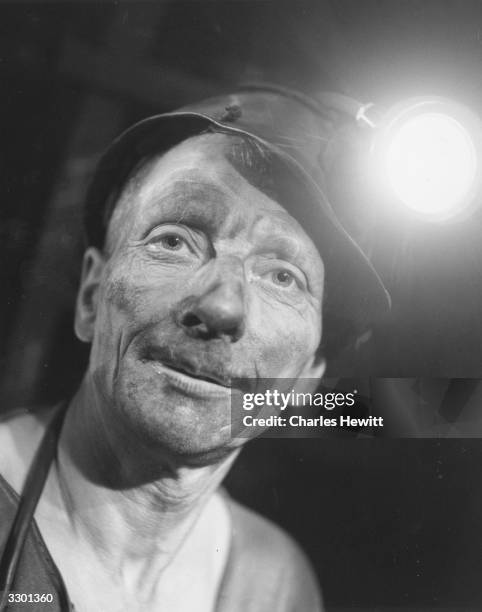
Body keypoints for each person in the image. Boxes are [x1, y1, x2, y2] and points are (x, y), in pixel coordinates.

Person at [0, 86, 389, 611]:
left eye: (282, 276)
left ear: (304, 383)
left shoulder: (272, 586)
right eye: (174, 240)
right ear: (92, 295)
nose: (222, 307)